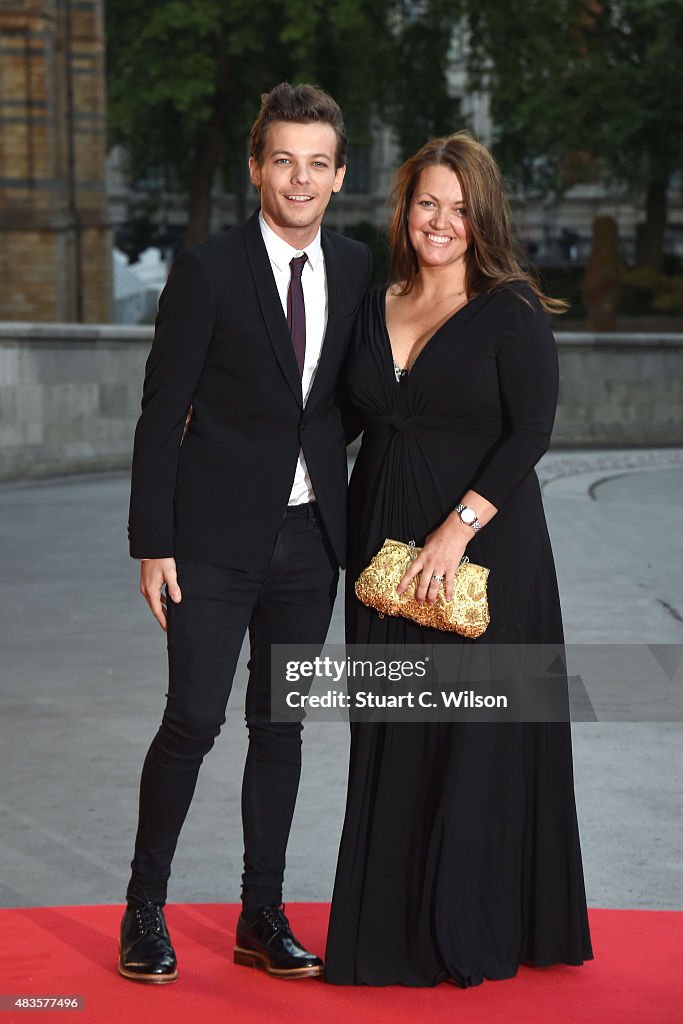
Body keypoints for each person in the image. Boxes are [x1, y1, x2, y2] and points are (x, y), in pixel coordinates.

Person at [325, 132, 593, 987]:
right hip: (380, 557)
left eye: (457, 207)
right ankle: (391, 926)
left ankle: (469, 927)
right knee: (393, 732)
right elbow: (336, 422)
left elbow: (531, 432)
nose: (439, 222)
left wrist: (456, 528)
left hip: (485, 555)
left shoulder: (509, 309)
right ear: (405, 208)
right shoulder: (371, 302)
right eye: (426, 203)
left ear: (482, 218)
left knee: (474, 737)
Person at [120, 82, 372, 984]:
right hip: (211, 544)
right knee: (192, 719)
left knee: (282, 725)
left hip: (312, 545)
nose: (298, 179)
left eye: (317, 163)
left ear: (338, 175)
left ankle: (258, 913)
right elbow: (161, 412)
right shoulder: (209, 270)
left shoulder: (352, 267)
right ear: (257, 166)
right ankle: (143, 909)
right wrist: (153, 540)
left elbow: (351, 398)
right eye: (282, 160)